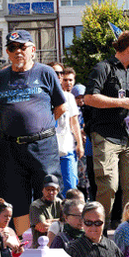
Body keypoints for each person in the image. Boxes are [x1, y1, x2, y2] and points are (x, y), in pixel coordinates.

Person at [0, 30, 66, 236]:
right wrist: (15, 126)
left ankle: (49, 243)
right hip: (11, 149)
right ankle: (23, 244)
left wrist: (39, 125)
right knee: (16, 202)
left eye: (22, 47)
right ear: (8, 52)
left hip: (43, 147)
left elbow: (61, 107)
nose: (18, 51)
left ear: (33, 50)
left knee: (49, 195)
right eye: (13, 48)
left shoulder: (46, 73)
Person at [83, 30, 129, 224]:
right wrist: (121, 103)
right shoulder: (103, 68)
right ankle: (98, 231)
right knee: (108, 186)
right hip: (106, 135)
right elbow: (89, 98)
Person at [54, 66, 84, 196]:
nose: (58, 76)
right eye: (55, 73)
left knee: (70, 188)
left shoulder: (69, 97)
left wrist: (79, 144)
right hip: (47, 151)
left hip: (67, 149)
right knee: (50, 189)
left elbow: (74, 122)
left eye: (61, 73)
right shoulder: (41, 97)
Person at [29, 174, 63, 243]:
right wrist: (59, 221)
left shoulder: (60, 203)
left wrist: (50, 221)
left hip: (59, 245)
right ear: (42, 190)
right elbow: (43, 227)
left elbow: (68, 222)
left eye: (53, 190)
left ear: (58, 190)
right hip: (41, 246)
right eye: (48, 190)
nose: (50, 192)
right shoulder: (36, 205)